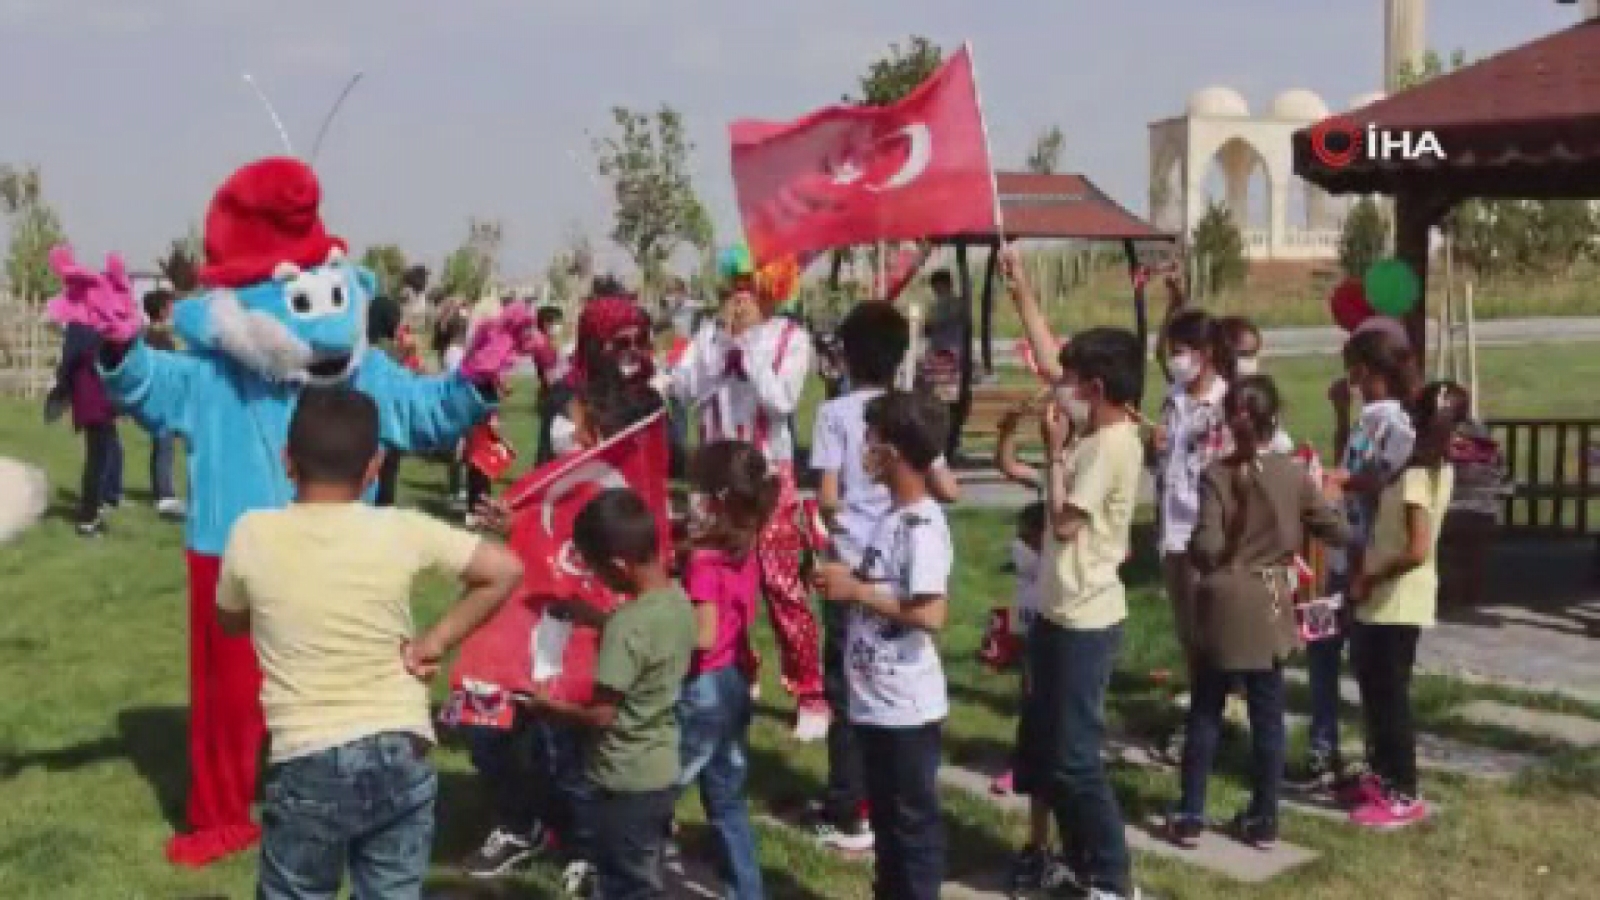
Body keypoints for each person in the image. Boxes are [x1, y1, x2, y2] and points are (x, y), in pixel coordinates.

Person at [214, 386, 522, 899]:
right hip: (400, 746)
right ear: (376, 465)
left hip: (307, 754)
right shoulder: (398, 528)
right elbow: (504, 569)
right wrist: (434, 642)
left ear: (287, 460)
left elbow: (229, 621)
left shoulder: (251, 533)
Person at [1003, 244, 1142, 900]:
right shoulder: (1103, 430)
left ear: (1100, 392)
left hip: (1087, 619)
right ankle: (1081, 866)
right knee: (1056, 757)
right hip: (1059, 614)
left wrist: (1055, 454)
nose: (1059, 391)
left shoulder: (1106, 448)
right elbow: (1051, 352)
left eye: (1072, 384)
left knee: (1078, 761)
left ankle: (1113, 879)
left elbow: (1061, 524)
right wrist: (1021, 287)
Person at [1167, 375, 1350, 848]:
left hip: (1222, 602)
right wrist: (1329, 498)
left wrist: (1201, 550)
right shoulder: (1293, 475)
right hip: (1270, 604)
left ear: (1231, 420)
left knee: (1205, 713)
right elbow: (1335, 530)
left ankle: (1190, 813)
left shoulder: (1216, 474)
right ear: (1276, 419)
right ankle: (1264, 817)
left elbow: (1206, 547)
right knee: (1268, 717)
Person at [806, 302, 960, 852]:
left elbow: (827, 495)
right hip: (881, 562)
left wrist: (840, 527)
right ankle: (869, 808)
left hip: (859, 566)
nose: (869, 451)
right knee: (869, 679)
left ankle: (849, 805)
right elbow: (951, 488)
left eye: (875, 448)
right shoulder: (908, 413)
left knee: (848, 685)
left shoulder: (837, 414)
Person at [669, 255, 827, 742]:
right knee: (711, 579)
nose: (738, 297)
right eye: (733, 286)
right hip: (711, 475)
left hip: (765, 476)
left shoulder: (791, 340)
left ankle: (810, 692)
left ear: (772, 290)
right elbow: (684, 391)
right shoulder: (706, 337)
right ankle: (736, 669)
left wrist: (750, 353)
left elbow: (781, 401)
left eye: (749, 287)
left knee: (780, 584)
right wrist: (721, 353)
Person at [523, 489, 696, 900]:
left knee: (625, 883)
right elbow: (645, 642)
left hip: (623, 777)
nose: (598, 579)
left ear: (618, 565)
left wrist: (550, 708)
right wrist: (596, 618)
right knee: (643, 868)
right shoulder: (676, 600)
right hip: (661, 765)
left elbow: (602, 715)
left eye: (598, 570)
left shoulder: (626, 627)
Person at [1292, 325, 1418, 796]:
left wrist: (1340, 480)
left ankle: (1377, 761)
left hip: (1367, 561)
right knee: (1319, 645)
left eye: (1354, 375)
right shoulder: (1368, 419)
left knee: (1371, 670)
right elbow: (1353, 459)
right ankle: (1324, 746)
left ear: (1365, 371)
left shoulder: (1398, 424)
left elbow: (1385, 479)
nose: (1353, 383)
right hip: (1341, 558)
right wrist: (1341, 418)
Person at [1346, 381, 1464, 829]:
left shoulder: (1419, 476)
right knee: (1375, 691)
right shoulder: (1426, 468)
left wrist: (1368, 578)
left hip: (1395, 599)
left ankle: (1403, 790)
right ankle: (1380, 773)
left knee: (1389, 696)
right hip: (1386, 599)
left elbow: (1416, 548)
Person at [676, 441, 778, 900]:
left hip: (703, 685)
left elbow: (702, 635)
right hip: (736, 678)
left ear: (714, 498)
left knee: (654, 791)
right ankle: (746, 889)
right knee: (726, 797)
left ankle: (628, 875)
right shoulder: (745, 542)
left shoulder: (702, 561)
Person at [1150, 309, 1235, 762]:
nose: (1175, 361)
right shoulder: (1173, 397)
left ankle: (1210, 724)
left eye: (1181, 352)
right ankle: (1204, 715)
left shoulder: (1228, 402)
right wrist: (1156, 447)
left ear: (1203, 356)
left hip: (1206, 534)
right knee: (1187, 634)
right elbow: (1163, 461)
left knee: (1209, 636)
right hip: (1173, 531)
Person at [54, 320, 122, 536]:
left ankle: (95, 507)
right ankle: (87, 518)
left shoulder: (80, 330)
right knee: (97, 460)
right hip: (95, 401)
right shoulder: (90, 331)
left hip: (93, 400)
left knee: (102, 456)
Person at [142, 289, 185, 519]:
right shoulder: (159, 338)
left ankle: (160, 490)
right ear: (161, 311)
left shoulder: (150, 336)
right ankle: (165, 495)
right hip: (163, 396)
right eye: (170, 306)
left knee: (162, 444)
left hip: (160, 396)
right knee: (164, 444)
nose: (173, 309)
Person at [532, 304, 570, 466]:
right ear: (547, 323)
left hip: (552, 394)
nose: (559, 326)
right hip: (553, 396)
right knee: (549, 441)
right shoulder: (543, 345)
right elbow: (550, 377)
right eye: (557, 322)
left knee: (549, 439)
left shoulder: (547, 342)